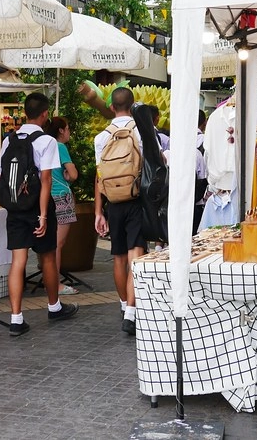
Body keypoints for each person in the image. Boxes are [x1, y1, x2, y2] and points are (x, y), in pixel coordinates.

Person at [0, 92, 78, 336]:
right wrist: (42, 215)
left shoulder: (9, 140)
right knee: (48, 257)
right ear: (44, 114)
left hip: (15, 208)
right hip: (37, 208)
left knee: (17, 261)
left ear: (24, 112)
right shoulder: (46, 141)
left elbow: (1, 173)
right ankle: (54, 306)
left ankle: (16, 318)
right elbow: (46, 179)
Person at [94, 86, 146, 337]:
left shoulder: (101, 137)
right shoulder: (141, 133)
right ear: (133, 104)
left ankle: (125, 305)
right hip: (136, 200)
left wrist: (98, 212)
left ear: (112, 107)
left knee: (118, 257)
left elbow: (99, 177)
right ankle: (131, 313)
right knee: (135, 255)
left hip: (112, 203)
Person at [47, 116, 79, 296]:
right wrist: (68, 175)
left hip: (46, 196)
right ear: (61, 130)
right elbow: (73, 174)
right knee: (58, 243)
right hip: (61, 196)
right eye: (67, 129)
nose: (69, 132)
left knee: (50, 242)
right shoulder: (60, 147)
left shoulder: (44, 145)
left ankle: (49, 278)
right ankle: (56, 283)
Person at [193, 109, 208, 235]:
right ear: (204, 123)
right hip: (198, 197)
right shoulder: (206, 139)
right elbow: (203, 176)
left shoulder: (176, 141)